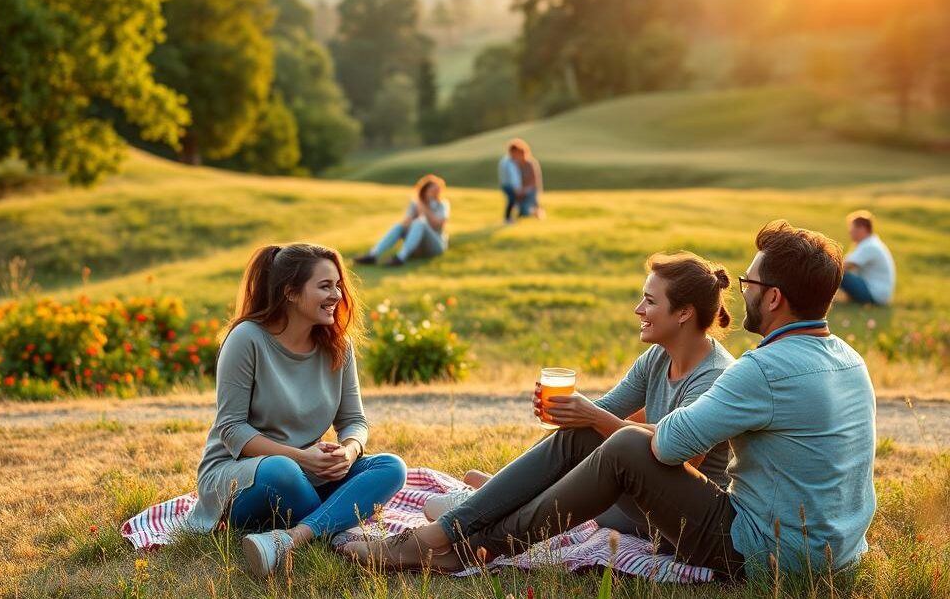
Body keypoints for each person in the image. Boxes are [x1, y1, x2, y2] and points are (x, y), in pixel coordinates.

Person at [347, 220, 876, 580]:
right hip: (837, 556)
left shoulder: (761, 368)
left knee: (621, 447)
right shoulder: (850, 361)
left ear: (775, 298)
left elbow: (667, 449)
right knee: (600, 436)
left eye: (750, 282)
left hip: (767, 556)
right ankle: (457, 533)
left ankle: (458, 545)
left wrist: (596, 418)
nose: (744, 292)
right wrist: (592, 419)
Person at [345, 251, 738, 568]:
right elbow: (602, 414)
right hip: (636, 511)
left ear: (684, 312)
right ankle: (483, 509)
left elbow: (682, 454)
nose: (638, 308)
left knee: (591, 436)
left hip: (676, 521)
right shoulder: (657, 358)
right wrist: (569, 412)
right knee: (581, 435)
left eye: (650, 301)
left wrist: (591, 417)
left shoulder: (715, 375)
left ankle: (453, 536)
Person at [184, 243, 407, 579]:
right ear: (290, 292)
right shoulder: (247, 339)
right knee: (282, 470)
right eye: (325, 286)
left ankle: (294, 537)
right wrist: (300, 457)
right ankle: (331, 522)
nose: (336, 295)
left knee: (391, 467)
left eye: (338, 285)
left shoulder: (338, 345)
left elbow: (354, 421)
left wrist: (349, 450)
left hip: (307, 474)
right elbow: (231, 430)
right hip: (242, 477)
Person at [354, 174, 450, 267]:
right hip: (417, 248)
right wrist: (414, 215)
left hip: (436, 247)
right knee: (399, 226)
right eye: (433, 190)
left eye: (438, 190)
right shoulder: (415, 204)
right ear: (424, 191)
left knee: (420, 223)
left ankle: (401, 257)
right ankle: (373, 255)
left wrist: (423, 209)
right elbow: (406, 223)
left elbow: (438, 224)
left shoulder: (442, 204)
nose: (436, 193)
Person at [840, 210, 895, 306]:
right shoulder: (868, 243)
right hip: (876, 292)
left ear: (862, 228)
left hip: (874, 294)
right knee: (838, 272)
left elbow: (844, 266)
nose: (850, 231)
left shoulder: (869, 246)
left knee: (837, 273)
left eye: (852, 228)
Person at [498, 140, 525, 223]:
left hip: (514, 186)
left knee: (515, 202)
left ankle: (514, 217)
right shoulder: (506, 162)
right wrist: (516, 188)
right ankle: (507, 218)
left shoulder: (514, 162)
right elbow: (510, 177)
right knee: (512, 200)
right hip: (508, 185)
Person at [516, 141, 543, 218]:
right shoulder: (518, 165)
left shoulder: (531, 164)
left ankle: (536, 212)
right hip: (522, 191)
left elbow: (534, 180)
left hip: (531, 190)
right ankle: (535, 211)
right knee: (521, 211)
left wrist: (525, 190)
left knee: (525, 211)